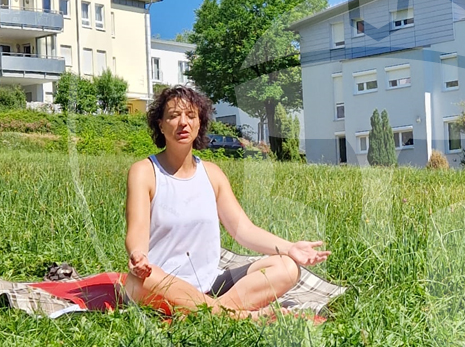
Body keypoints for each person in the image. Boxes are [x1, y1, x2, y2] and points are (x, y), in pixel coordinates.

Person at [124, 86, 330, 319]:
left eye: (191, 116)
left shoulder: (212, 174)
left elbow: (243, 230)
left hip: (211, 285)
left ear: (199, 123)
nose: (183, 123)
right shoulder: (144, 172)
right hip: (159, 283)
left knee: (287, 268)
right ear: (160, 124)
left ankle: (206, 312)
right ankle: (240, 316)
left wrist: (289, 248)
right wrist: (138, 255)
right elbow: (137, 232)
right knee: (141, 279)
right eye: (173, 116)